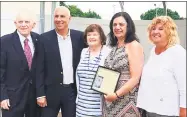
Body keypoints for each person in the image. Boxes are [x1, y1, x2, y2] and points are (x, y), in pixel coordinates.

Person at [36, 6, 86, 117]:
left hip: (71, 92)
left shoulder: (80, 37)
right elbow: (39, 68)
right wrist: (40, 94)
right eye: (56, 16)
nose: (59, 19)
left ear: (69, 18)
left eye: (62, 16)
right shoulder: (43, 39)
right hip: (50, 93)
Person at [137, 16, 186, 117]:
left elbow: (184, 86)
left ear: (169, 32)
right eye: (153, 29)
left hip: (167, 112)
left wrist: (183, 112)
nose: (155, 31)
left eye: (160, 29)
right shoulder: (153, 51)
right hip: (150, 109)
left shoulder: (178, 52)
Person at [102, 12, 144, 117]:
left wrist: (116, 95)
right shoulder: (114, 47)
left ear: (128, 26)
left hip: (126, 102)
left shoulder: (134, 45)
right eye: (114, 25)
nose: (117, 27)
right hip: (109, 102)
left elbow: (135, 78)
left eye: (121, 24)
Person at [0, 10, 40, 117]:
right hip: (12, 98)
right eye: (20, 22)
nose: (23, 25)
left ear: (33, 24)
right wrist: (2, 96)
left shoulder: (39, 40)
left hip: (34, 98)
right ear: (15, 23)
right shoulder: (4, 42)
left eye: (27, 22)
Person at [76, 24, 111, 117]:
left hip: (98, 108)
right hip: (81, 106)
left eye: (95, 34)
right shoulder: (83, 52)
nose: (91, 37)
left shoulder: (108, 52)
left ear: (101, 37)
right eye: (89, 35)